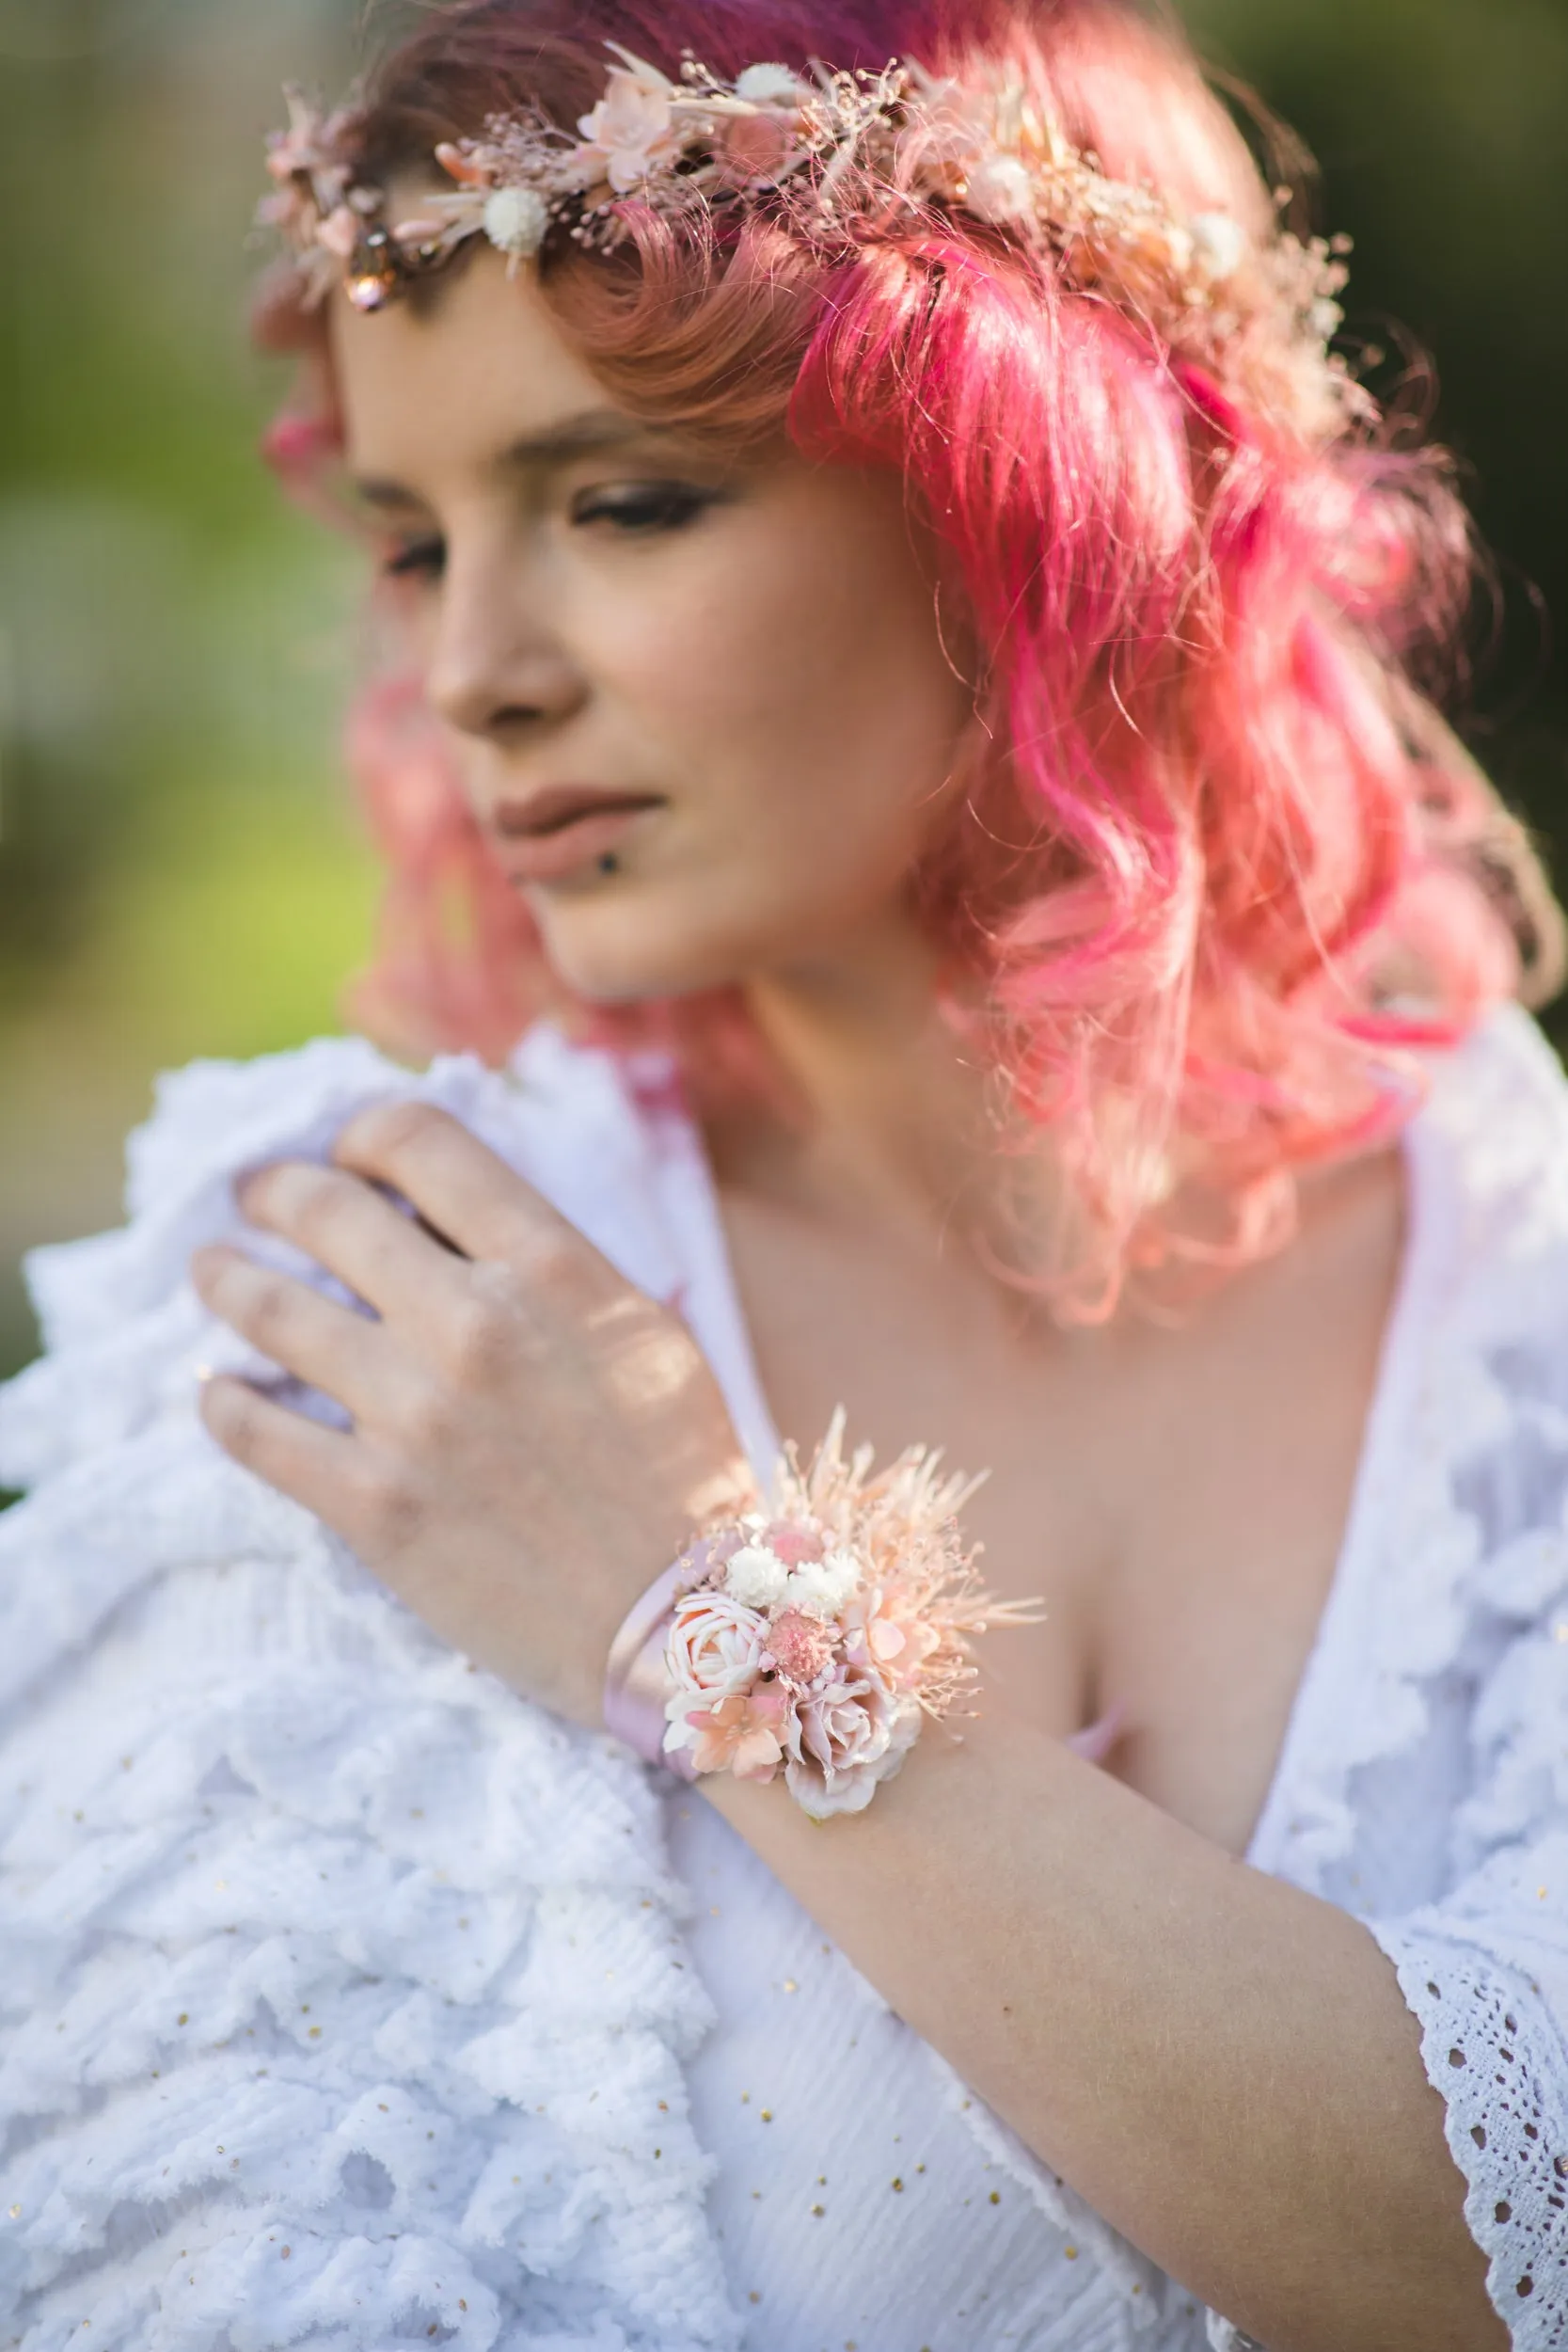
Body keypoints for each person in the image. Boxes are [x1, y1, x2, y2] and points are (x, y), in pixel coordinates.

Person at [2, 0, 1565, 2345]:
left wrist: (698, 1602)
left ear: (1030, 501)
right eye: (419, 545)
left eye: (623, 500)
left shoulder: (1523, 1288)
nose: (477, 671)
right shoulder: (356, 1292)